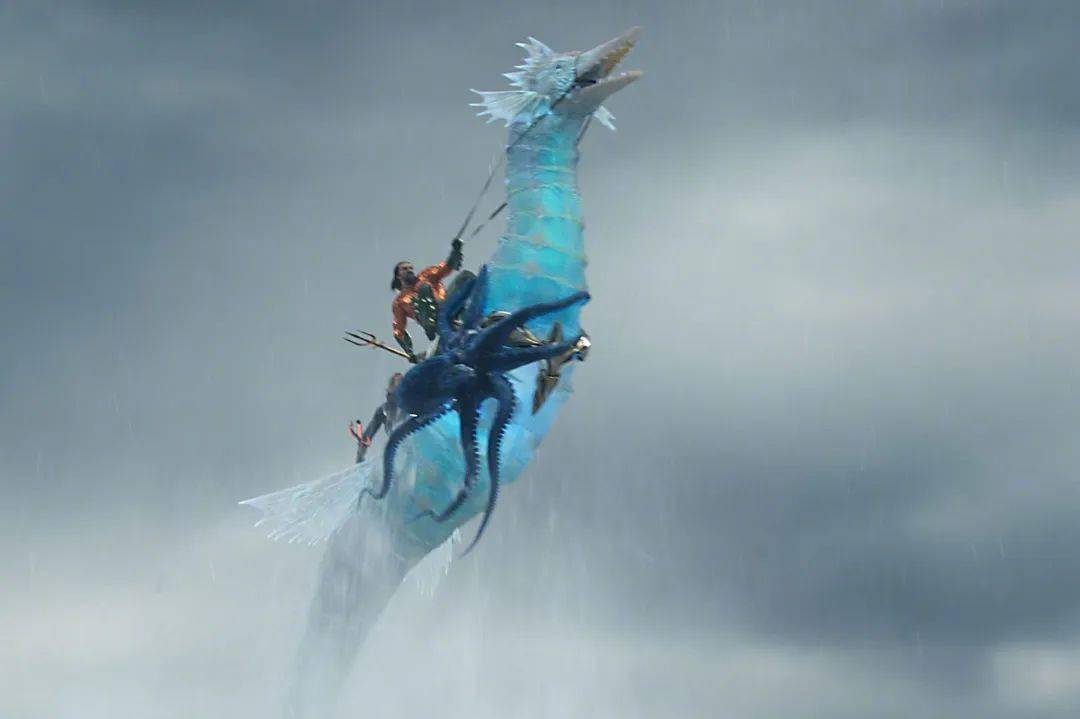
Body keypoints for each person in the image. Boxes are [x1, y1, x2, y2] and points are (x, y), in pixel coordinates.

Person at [390, 238, 464, 362]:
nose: (409, 270)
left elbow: (446, 267)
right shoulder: (400, 302)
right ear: (398, 275)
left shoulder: (427, 275)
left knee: (465, 277)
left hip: (448, 306)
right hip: (431, 321)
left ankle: (478, 313)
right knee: (424, 289)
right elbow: (399, 329)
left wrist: (455, 251)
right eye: (405, 269)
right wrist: (409, 351)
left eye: (411, 268)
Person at [348, 373, 405, 463]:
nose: (400, 387)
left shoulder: (413, 403)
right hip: (398, 442)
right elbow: (367, 436)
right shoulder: (384, 410)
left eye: (402, 383)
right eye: (398, 383)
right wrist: (360, 459)